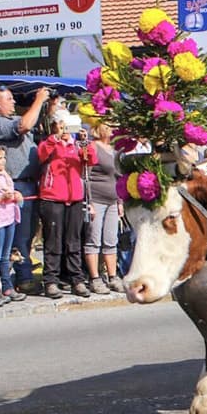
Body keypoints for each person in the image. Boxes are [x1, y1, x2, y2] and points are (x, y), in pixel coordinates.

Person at [37, 109, 97, 299]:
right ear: (55, 125)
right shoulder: (50, 142)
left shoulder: (76, 145)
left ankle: (77, 279)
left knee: (74, 241)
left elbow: (91, 160)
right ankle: (51, 281)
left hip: (75, 199)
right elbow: (41, 154)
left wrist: (85, 142)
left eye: (67, 124)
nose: (65, 129)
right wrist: (55, 137)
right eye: (62, 124)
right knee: (53, 241)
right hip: (52, 198)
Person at [0, 86, 52, 295]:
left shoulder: (11, 119)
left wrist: (47, 107)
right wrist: (38, 99)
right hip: (16, 185)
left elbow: (32, 122)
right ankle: (24, 277)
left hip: (30, 182)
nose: (13, 103)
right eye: (9, 99)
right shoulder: (1, 123)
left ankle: (23, 273)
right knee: (19, 236)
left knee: (29, 235)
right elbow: (24, 124)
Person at [83, 124, 125, 294]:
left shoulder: (115, 149)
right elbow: (85, 175)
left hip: (113, 199)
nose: (113, 129)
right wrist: (89, 202)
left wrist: (120, 201)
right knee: (94, 239)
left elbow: (119, 177)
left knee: (111, 239)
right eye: (109, 126)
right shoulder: (93, 147)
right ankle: (94, 278)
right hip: (97, 199)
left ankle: (113, 276)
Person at [0, 146, 26, 306]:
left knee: (6, 255)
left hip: (9, 218)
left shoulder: (5, 176)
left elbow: (14, 195)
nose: (2, 161)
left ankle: (7, 286)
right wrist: (1, 198)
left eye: (3, 158)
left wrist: (16, 195)